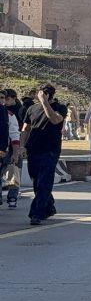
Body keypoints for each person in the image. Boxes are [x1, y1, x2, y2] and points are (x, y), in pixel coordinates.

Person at [22, 84, 67, 226]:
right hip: (33, 149)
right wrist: (22, 146)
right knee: (37, 182)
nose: (38, 95)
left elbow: (54, 119)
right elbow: (25, 128)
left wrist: (45, 102)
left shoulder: (60, 108)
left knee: (44, 182)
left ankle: (36, 214)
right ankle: (49, 206)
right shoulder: (31, 108)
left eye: (41, 93)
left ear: (48, 95)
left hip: (50, 150)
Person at [0, 91, 21, 209]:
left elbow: (14, 134)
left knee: (13, 172)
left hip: (5, 150)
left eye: (3, 98)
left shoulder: (10, 115)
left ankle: (12, 197)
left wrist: (16, 152)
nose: (1, 100)